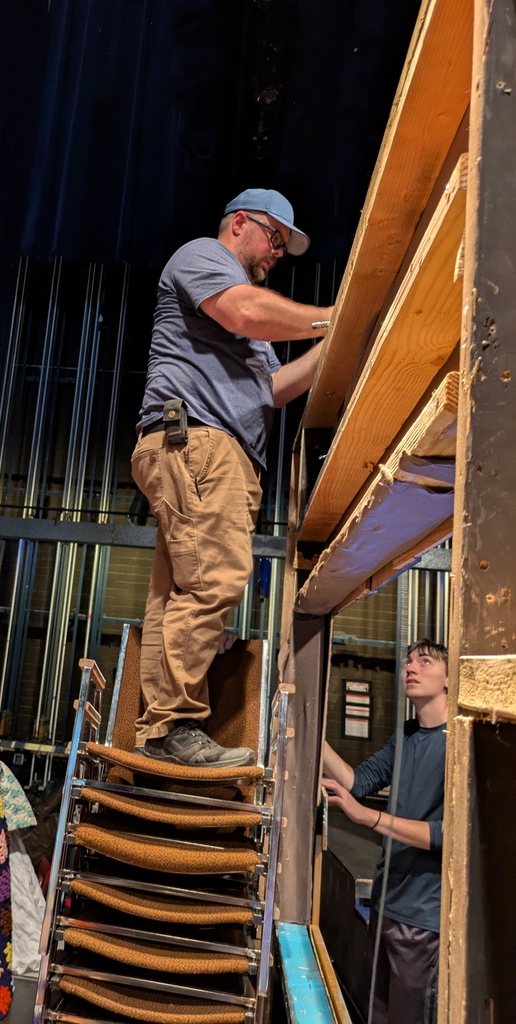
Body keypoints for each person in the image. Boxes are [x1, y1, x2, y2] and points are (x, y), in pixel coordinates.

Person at [132, 187, 334, 768]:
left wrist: (339, 343)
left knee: (176, 593)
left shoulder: (248, 336)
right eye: (275, 238)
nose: (278, 253)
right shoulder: (202, 257)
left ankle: (156, 735)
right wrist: (331, 318)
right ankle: (174, 725)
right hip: (200, 443)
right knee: (214, 579)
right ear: (240, 223)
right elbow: (246, 310)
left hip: (203, 449)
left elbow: (270, 391)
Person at [322, 638, 448, 1024]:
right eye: (409, 661)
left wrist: (370, 819)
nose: (411, 667)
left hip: (422, 919)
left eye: (425, 662)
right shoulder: (406, 736)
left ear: (449, 679)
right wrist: (312, 736)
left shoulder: (459, 744)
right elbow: (359, 781)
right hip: (384, 907)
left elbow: (447, 835)